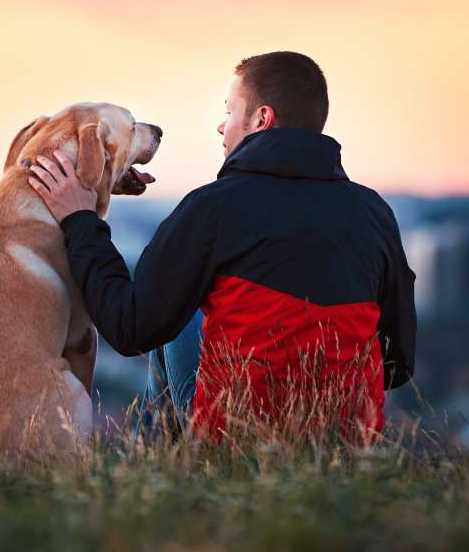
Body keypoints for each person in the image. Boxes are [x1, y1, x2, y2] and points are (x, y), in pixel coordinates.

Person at [28, 51, 416, 441]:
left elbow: (129, 328)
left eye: (230, 111)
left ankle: (156, 476)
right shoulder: (374, 213)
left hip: (238, 435)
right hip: (347, 440)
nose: (220, 126)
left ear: (261, 119)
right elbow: (398, 363)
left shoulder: (213, 207)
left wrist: (81, 221)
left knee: (174, 320)